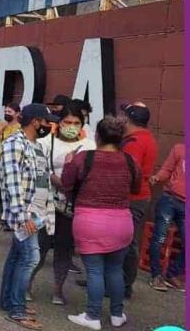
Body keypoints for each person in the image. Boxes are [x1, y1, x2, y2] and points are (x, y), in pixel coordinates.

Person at [60, 117, 139, 330]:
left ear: (97, 136)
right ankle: (116, 314)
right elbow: (136, 188)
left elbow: (67, 185)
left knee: (95, 271)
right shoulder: (130, 160)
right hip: (122, 222)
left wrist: (68, 163)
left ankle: (93, 316)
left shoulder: (84, 158)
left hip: (90, 221)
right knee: (114, 270)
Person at [0, 104, 59, 331]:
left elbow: (42, 181)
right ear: (36, 121)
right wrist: (23, 216)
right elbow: (12, 184)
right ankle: (17, 308)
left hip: (39, 213)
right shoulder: (14, 144)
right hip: (26, 213)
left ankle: (9, 301)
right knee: (30, 258)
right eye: (46, 121)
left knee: (16, 257)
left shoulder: (37, 147)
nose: (48, 125)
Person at [29, 102, 96, 305]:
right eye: (67, 121)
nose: (72, 126)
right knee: (39, 248)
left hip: (72, 207)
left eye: (76, 122)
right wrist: (57, 180)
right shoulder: (45, 142)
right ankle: (27, 284)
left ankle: (58, 289)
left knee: (64, 251)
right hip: (46, 204)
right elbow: (37, 169)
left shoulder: (89, 146)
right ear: (59, 123)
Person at [118, 101, 158, 298]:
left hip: (131, 198)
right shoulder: (145, 137)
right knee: (126, 241)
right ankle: (116, 282)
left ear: (129, 119)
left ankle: (122, 285)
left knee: (125, 242)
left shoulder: (135, 143)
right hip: (138, 197)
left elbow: (128, 172)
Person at [147, 143, 185, 292]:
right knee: (159, 239)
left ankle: (172, 274)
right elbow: (167, 169)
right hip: (169, 199)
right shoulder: (179, 148)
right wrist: (157, 177)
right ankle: (156, 276)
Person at [0, 103, 22, 227]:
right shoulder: (0, 125)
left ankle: (8, 217)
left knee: (11, 189)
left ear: (17, 113)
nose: (7, 114)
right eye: (6, 111)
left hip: (13, 163)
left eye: (10, 112)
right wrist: (0, 128)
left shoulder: (20, 128)